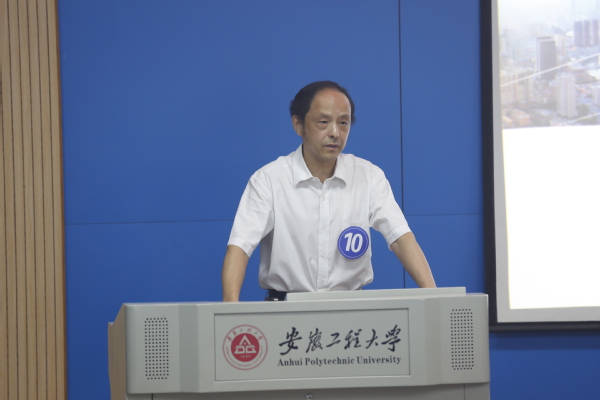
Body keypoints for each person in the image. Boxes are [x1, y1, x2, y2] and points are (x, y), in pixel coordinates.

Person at [222, 81, 435, 302]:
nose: (335, 133)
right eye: (323, 122)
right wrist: (230, 312)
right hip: (285, 310)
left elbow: (400, 238)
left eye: (343, 123)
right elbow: (240, 248)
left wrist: (435, 300)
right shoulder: (269, 180)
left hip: (352, 309)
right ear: (298, 125)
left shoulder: (368, 176)